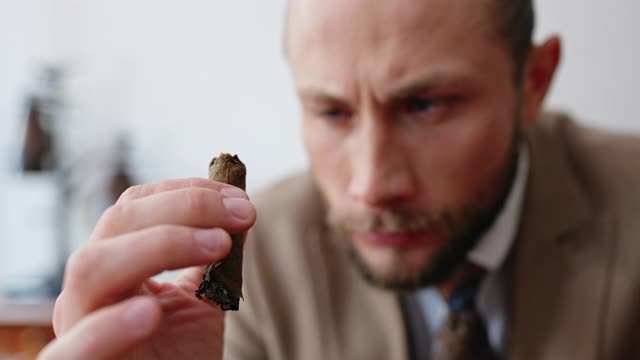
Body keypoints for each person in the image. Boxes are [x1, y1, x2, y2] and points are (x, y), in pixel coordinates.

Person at [39, 0, 640, 359]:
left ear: (533, 81)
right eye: (332, 112)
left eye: (427, 105)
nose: (371, 186)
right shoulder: (255, 263)